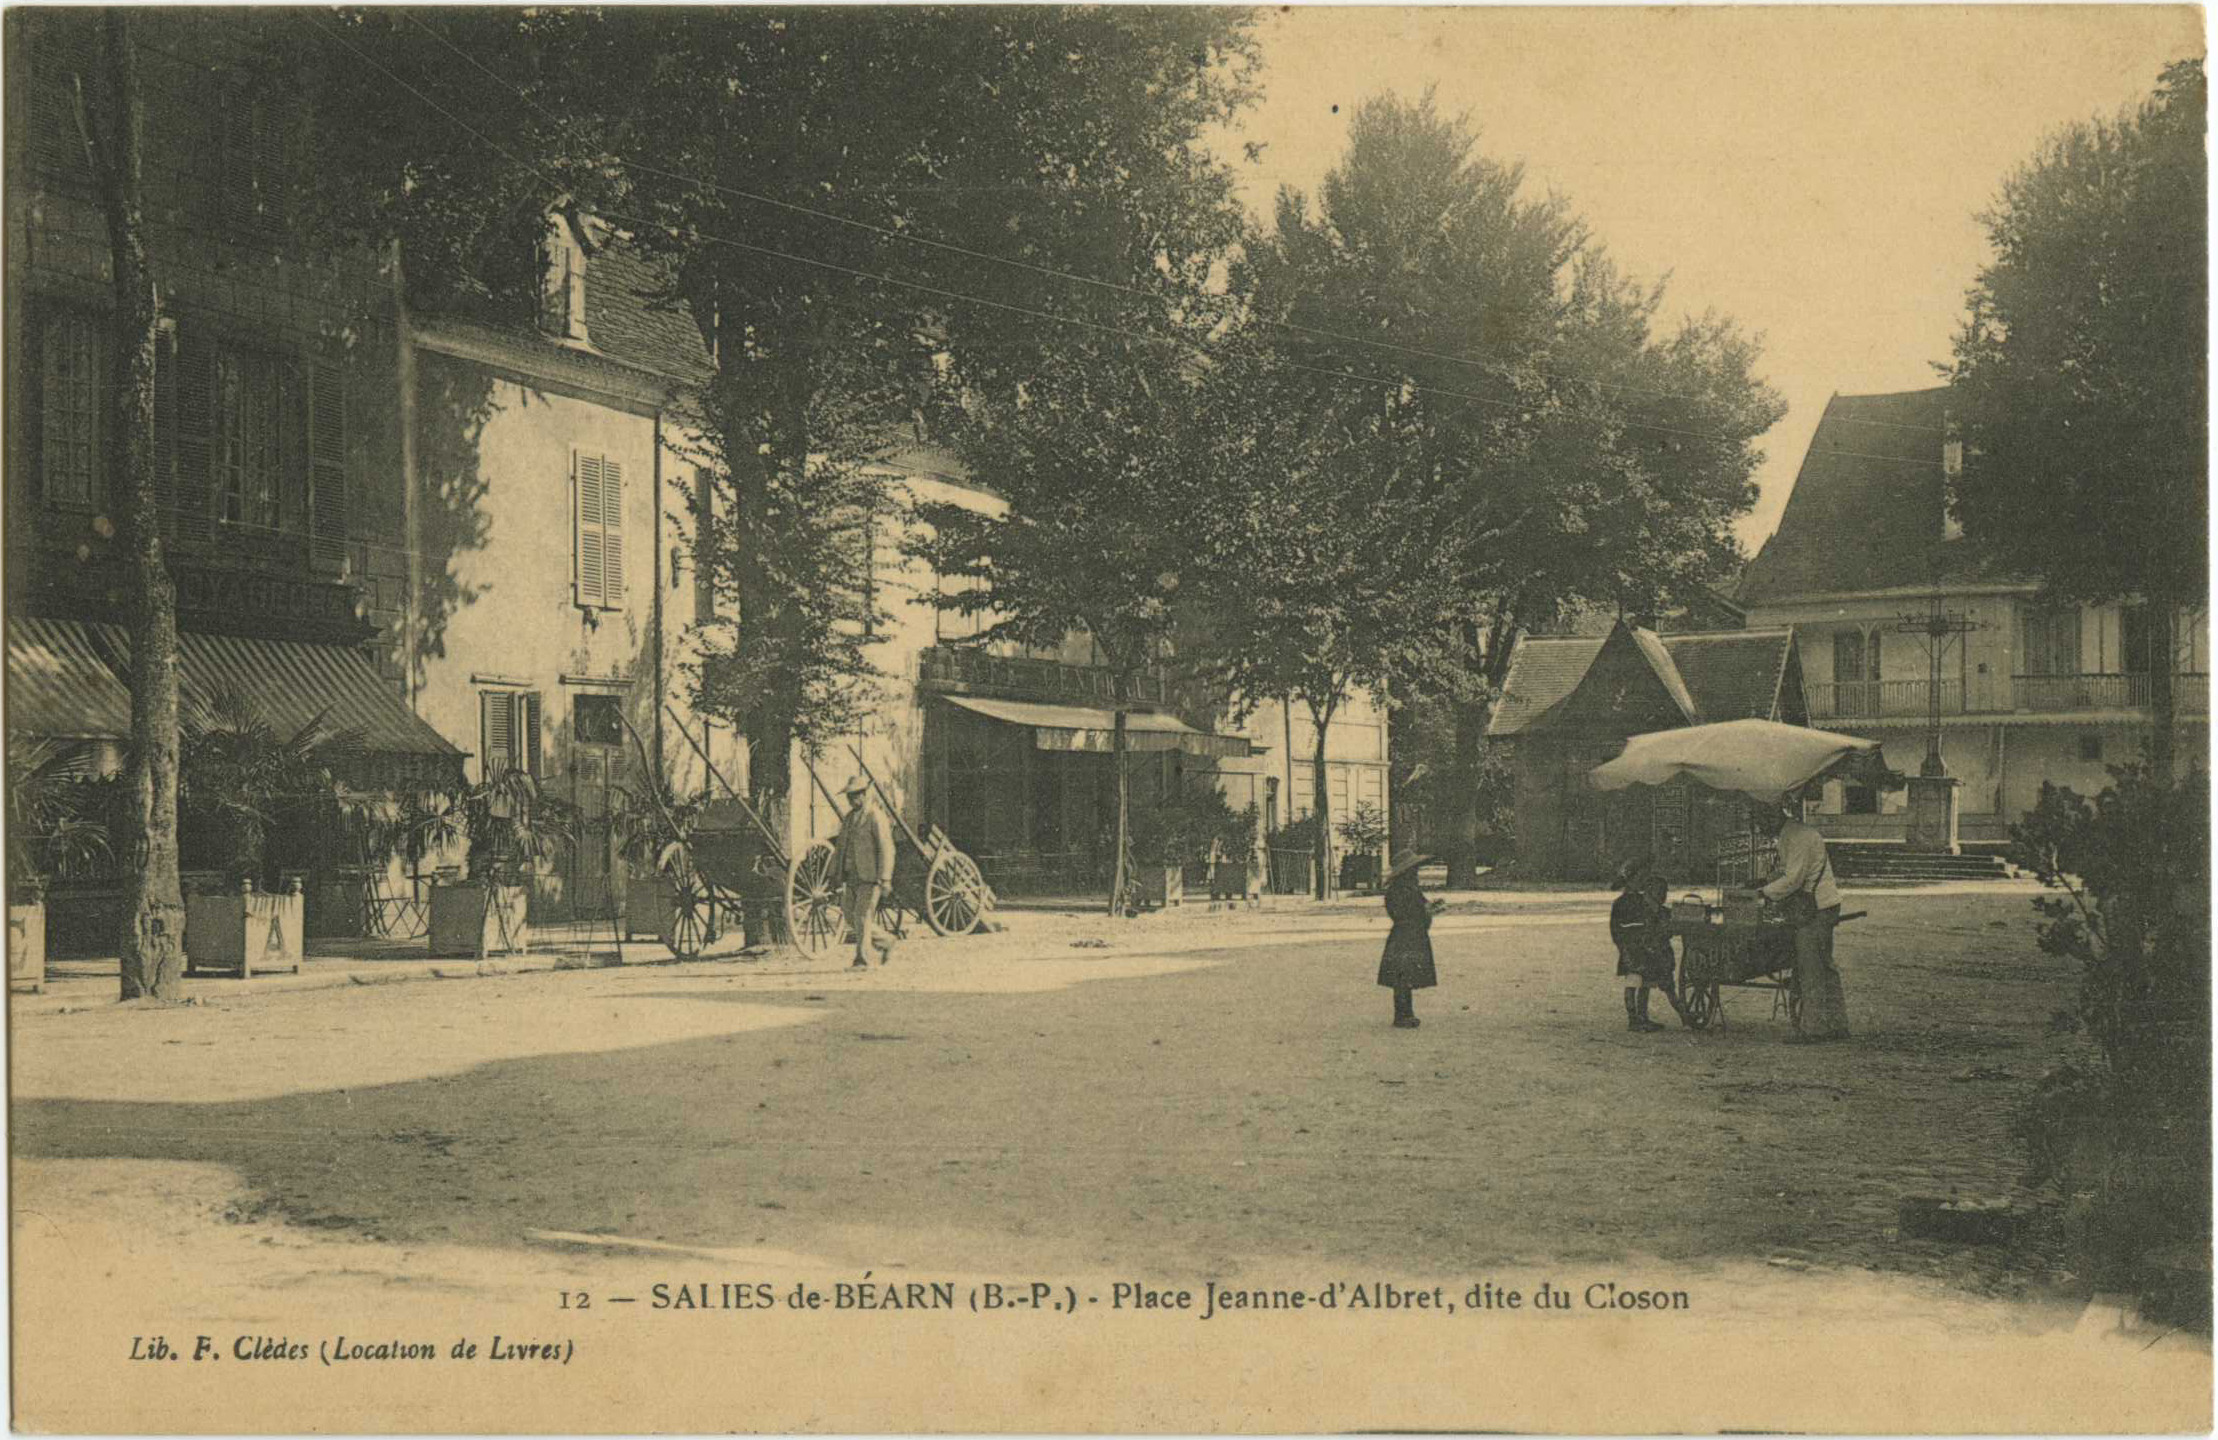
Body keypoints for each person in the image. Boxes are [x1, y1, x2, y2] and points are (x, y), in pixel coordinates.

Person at [1757, 799, 1849, 1041]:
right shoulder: (1795, 833)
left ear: (1774, 817)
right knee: (1825, 966)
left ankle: (1813, 1029)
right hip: (1826, 903)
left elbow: (1793, 879)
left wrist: (1763, 892)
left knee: (1811, 969)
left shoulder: (1797, 837)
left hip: (1815, 907)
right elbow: (1789, 871)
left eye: (1762, 822)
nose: (1761, 828)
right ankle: (1838, 1024)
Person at [1609, 860, 1686, 1032]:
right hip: (1633, 949)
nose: (1642, 882)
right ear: (1631, 880)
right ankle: (1633, 1020)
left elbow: (1657, 914)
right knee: (1634, 982)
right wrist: (1625, 946)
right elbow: (1617, 930)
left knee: (1644, 984)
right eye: (1639, 878)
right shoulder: (1623, 903)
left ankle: (1642, 1018)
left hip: (1643, 949)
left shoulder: (1640, 900)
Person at [834, 775, 896, 969]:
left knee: (862, 915)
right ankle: (886, 940)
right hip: (851, 875)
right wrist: (835, 873)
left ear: (864, 794)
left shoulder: (875, 816)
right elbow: (840, 847)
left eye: (855, 795)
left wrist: (885, 878)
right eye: (849, 796)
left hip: (870, 876)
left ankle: (862, 959)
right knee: (849, 915)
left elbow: (887, 848)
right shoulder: (849, 819)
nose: (851, 800)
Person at [1377, 853, 1442, 1029]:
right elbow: (1408, 912)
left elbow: (1421, 908)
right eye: (1413, 870)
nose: (1416, 874)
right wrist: (1427, 911)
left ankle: (1406, 1013)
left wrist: (1430, 909)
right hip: (1406, 935)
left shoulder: (1407, 889)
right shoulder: (1400, 891)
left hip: (1408, 934)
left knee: (1405, 976)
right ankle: (1402, 1015)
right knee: (1403, 976)